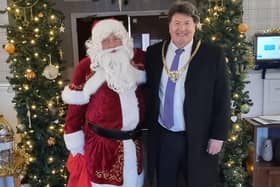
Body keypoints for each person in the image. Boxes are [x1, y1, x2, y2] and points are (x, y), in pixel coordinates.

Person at [145, 1, 230, 187]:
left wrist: (218, 135)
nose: (181, 28)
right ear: (169, 26)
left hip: (199, 137)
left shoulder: (212, 55)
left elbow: (222, 97)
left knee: (198, 182)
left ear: (195, 26)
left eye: (187, 23)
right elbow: (147, 91)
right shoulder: (153, 53)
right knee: (165, 183)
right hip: (164, 135)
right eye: (176, 23)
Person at [61, 19, 146, 187]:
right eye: (106, 41)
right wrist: (75, 141)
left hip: (134, 146)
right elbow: (75, 111)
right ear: (98, 45)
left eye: (116, 38)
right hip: (102, 150)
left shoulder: (137, 62)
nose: (113, 44)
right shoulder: (86, 68)